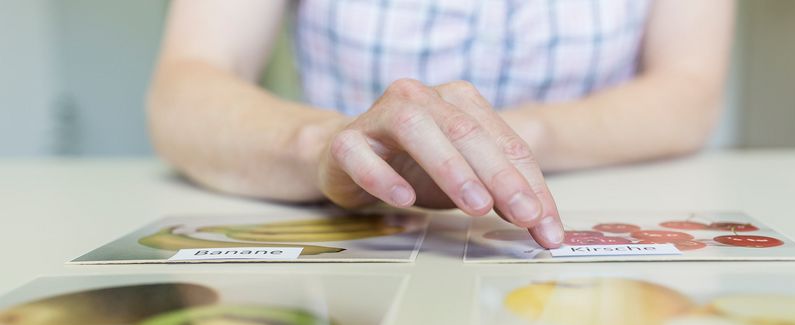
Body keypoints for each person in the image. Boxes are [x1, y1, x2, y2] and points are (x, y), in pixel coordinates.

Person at [147, 0, 733, 249]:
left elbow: (688, 92)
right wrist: (328, 145)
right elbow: (186, 86)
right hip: (345, 219)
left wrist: (505, 141)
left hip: (590, 211)